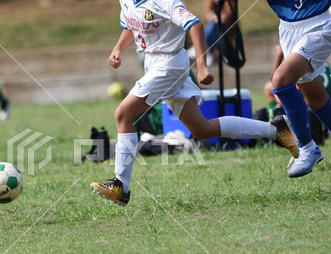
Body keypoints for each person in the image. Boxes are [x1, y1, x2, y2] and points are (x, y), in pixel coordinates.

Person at [90, 0, 296, 206]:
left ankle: (120, 186)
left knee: (123, 113)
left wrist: (202, 66)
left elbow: (195, 24)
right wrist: (118, 48)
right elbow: (130, 25)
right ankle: (275, 130)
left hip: (169, 64)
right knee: (201, 129)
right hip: (153, 63)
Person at [266, 0, 331, 177]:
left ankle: (308, 148)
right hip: (288, 29)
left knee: (280, 80)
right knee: (315, 98)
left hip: (319, 24)